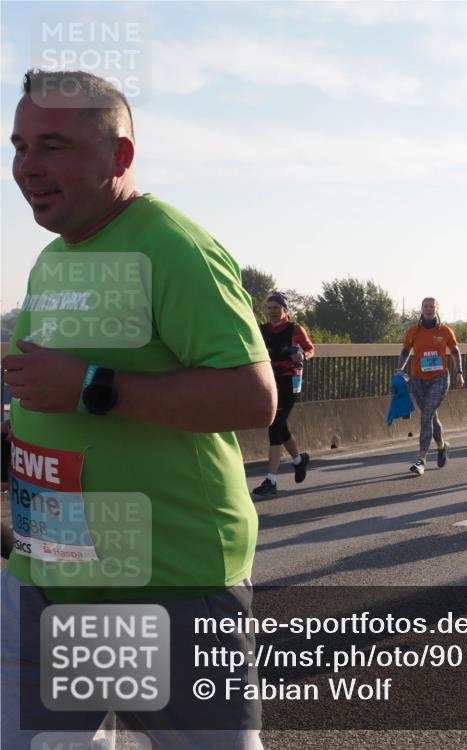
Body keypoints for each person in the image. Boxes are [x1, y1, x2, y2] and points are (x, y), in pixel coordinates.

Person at [2, 70, 276, 749]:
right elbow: (47, 391)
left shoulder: (174, 247)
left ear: (120, 157)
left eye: (54, 145)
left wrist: (94, 385)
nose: (27, 167)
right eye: (19, 145)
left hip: (170, 583)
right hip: (51, 578)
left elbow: (252, 396)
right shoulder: (50, 259)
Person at [252, 292, 315, 496]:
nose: (272, 311)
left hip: (290, 382)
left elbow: (310, 349)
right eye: (269, 308)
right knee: (281, 426)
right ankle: (299, 460)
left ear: (284, 309)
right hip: (271, 381)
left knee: (275, 426)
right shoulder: (261, 330)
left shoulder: (295, 329)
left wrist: (302, 355)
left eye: (276, 308)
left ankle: (271, 480)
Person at [397, 297, 464, 475]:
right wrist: (399, 370)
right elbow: (405, 352)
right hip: (418, 380)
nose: (428, 309)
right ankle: (442, 446)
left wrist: (459, 373)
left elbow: (455, 352)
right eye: (425, 306)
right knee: (431, 417)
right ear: (421, 309)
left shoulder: (444, 331)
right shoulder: (413, 331)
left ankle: (421, 460)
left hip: (439, 379)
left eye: (431, 307)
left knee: (426, 416)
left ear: (437, 309)